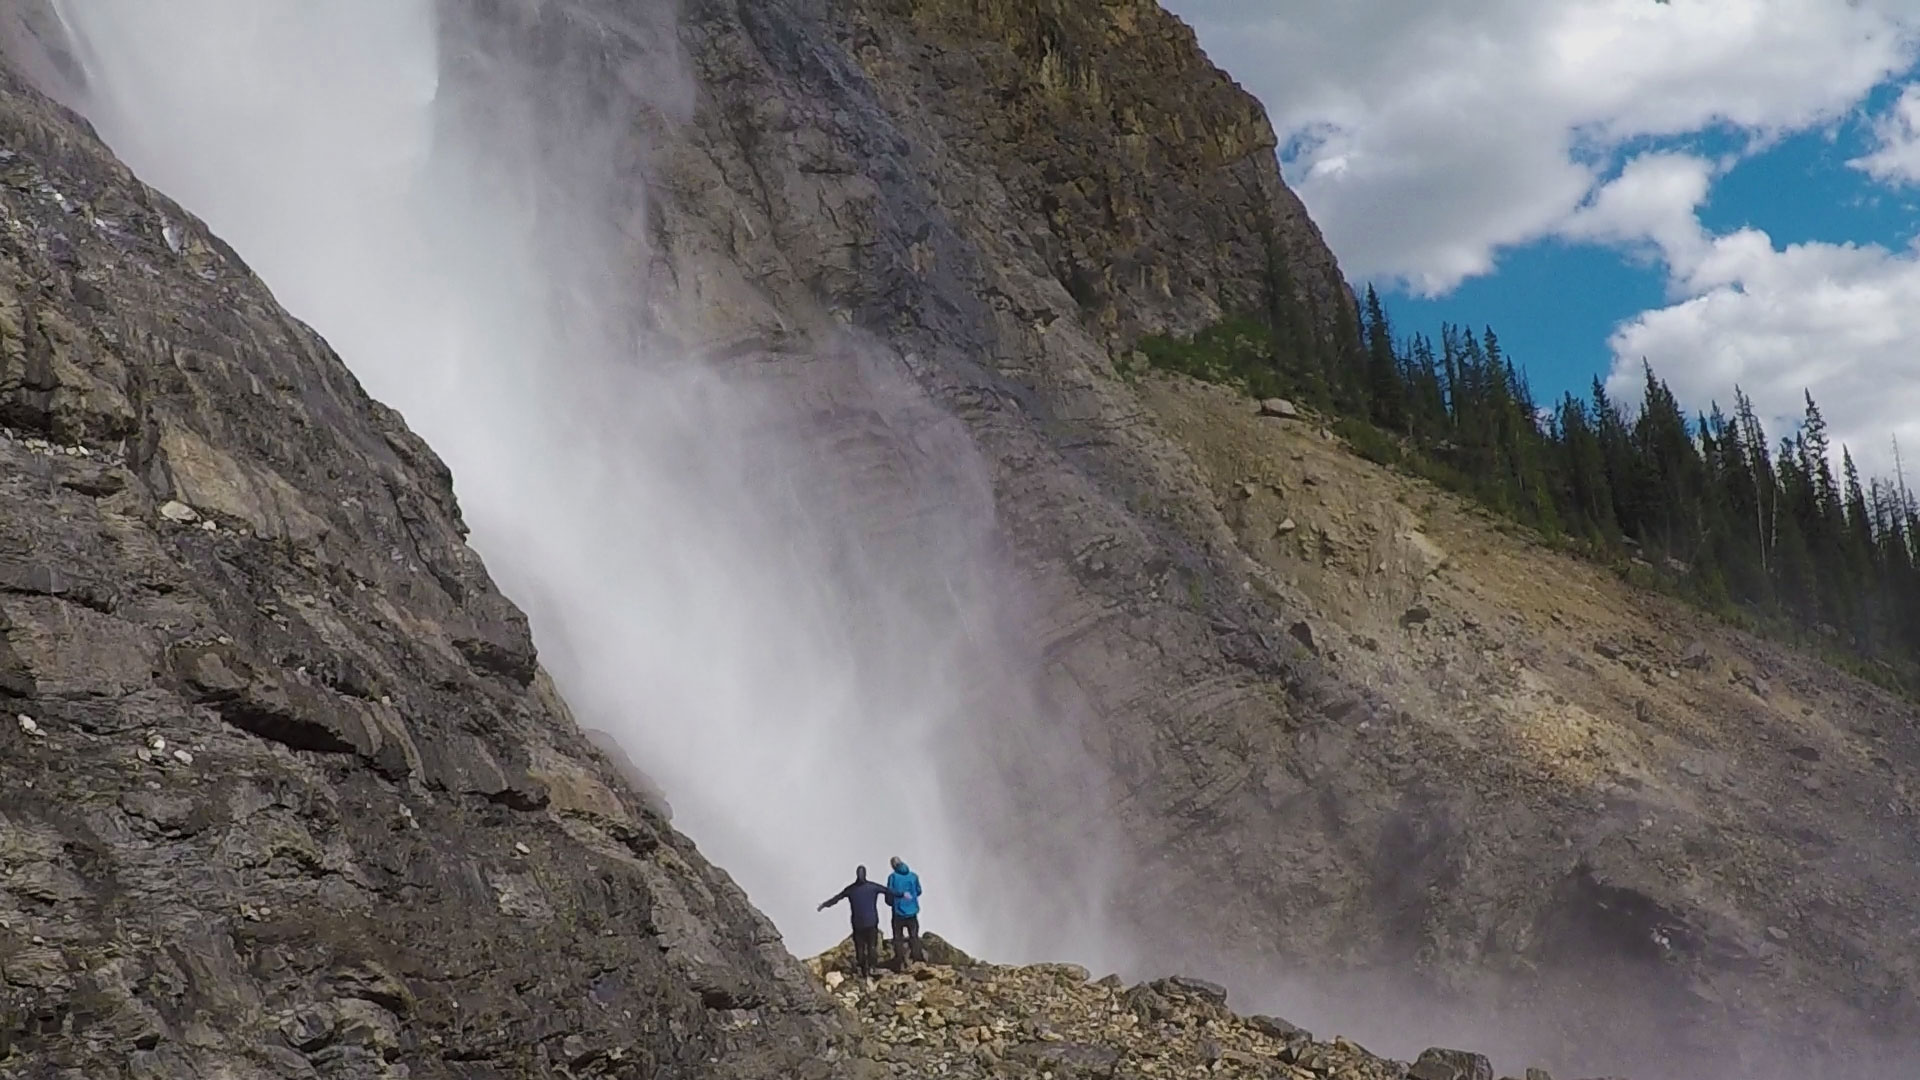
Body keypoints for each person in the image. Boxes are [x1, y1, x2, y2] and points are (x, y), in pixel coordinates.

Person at [817, 865, 898, 978]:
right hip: (871, 922)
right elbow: (889, 891)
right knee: (872, 946)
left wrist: (824, 905)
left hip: (858, 924)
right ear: (865, 874)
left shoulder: (851, 889)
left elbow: (837, 898)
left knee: (860, 947)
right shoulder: (872, 887)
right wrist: (903, 894)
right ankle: (872, 968)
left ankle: (863, 969)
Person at [885, 855, 925, 971]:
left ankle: (899, 962)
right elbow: (918, 891)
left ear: (893, 866)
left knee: (898, 938)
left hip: (898, 913)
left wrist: (891, 903)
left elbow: (889, 893)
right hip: (912, 912)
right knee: (914, 936)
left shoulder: (892, 877)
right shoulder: (913, 876)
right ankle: (917, 960)